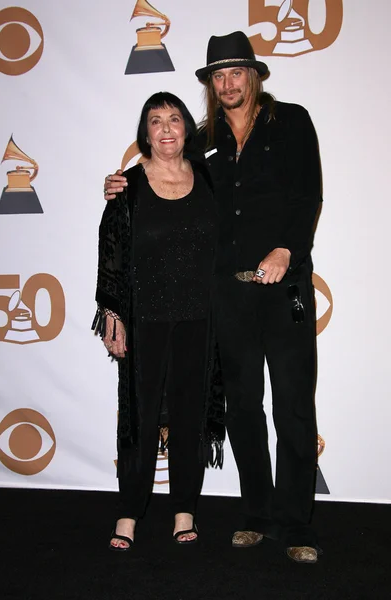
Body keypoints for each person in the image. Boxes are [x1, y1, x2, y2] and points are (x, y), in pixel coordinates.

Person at [103, 31, 322, 564]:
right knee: (244, 408)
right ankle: (257, 514)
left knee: (293, 407)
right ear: (210, 85)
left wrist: (285, 249)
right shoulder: (203, 140)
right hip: (228, 298)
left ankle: (295, 524)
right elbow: (169, 186)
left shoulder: (292, 121)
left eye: (235, 73)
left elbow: (309, 192)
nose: (227, 84)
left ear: (254, 75)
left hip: (285, 287)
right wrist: (121, 186)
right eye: (217, 76)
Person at [93, 91, 225, 552]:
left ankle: (184, 509)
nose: (166, 128)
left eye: (174, 119)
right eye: (155, 121)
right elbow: (109, 251)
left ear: (187, 127)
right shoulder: (126, 186)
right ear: (144, 132)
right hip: (144, 320)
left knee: (190, 416)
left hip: (199, 319)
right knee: (140, 419)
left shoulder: (209, 176)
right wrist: (113, 316)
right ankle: (129, 512)